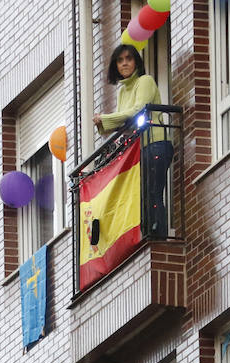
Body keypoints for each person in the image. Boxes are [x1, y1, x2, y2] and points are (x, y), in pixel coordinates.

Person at [95, 44, 173, 239]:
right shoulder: (122, 92)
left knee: (153, 193)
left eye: (128, 59)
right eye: (120, 60)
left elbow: (138, 110)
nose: (125, 63)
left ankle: (157, 236)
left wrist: (105, 119)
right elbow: (125, 122)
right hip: (139, 150)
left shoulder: (144, 81)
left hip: (155, 143)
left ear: (136, 61)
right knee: (142, 196)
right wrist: (104, 124)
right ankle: (147, 234)